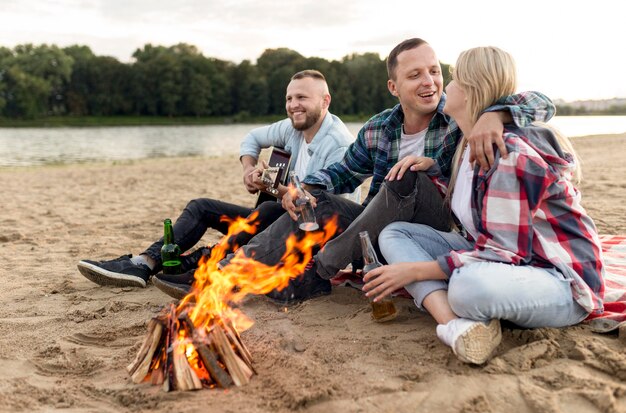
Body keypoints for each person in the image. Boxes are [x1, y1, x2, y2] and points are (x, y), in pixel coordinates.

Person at [184, 38, 555, 305]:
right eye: (414, 76)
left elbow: (540, 103)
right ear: (394, 86)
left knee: (407, 177)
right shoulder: (379, 128)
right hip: (374, 229)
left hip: (435, 232)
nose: (429, 81)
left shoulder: (461, 114)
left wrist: (496, 113)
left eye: (434, 71)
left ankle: (320, 266)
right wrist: (309, 189)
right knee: (320, 201)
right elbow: (343, 172)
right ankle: (228, 273)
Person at [363, 46, 605, 365]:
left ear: (470, 89)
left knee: (467, 288)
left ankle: (456, 317)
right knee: (394, 234)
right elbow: (475, 216)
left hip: (558, 280)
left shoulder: (508, 153)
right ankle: (457, 325)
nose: (443, 85)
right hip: (511, 263)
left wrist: (414, 270)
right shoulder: (467, 146)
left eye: (453, 77)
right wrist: (433, 172)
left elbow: (504, 252)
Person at [77, 69, 359, 293]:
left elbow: (315, 204)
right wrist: (249, 170)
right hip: (276, 219)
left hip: (314, 235)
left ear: (325, 101)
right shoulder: (293, 128)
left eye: (302, 98)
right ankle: (144, 263)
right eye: (289, 98)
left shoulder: (337, 144)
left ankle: (201, 266)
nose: (293, 105)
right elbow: (252, 139)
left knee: (269, 210)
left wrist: (273, 187)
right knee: (201, 207)